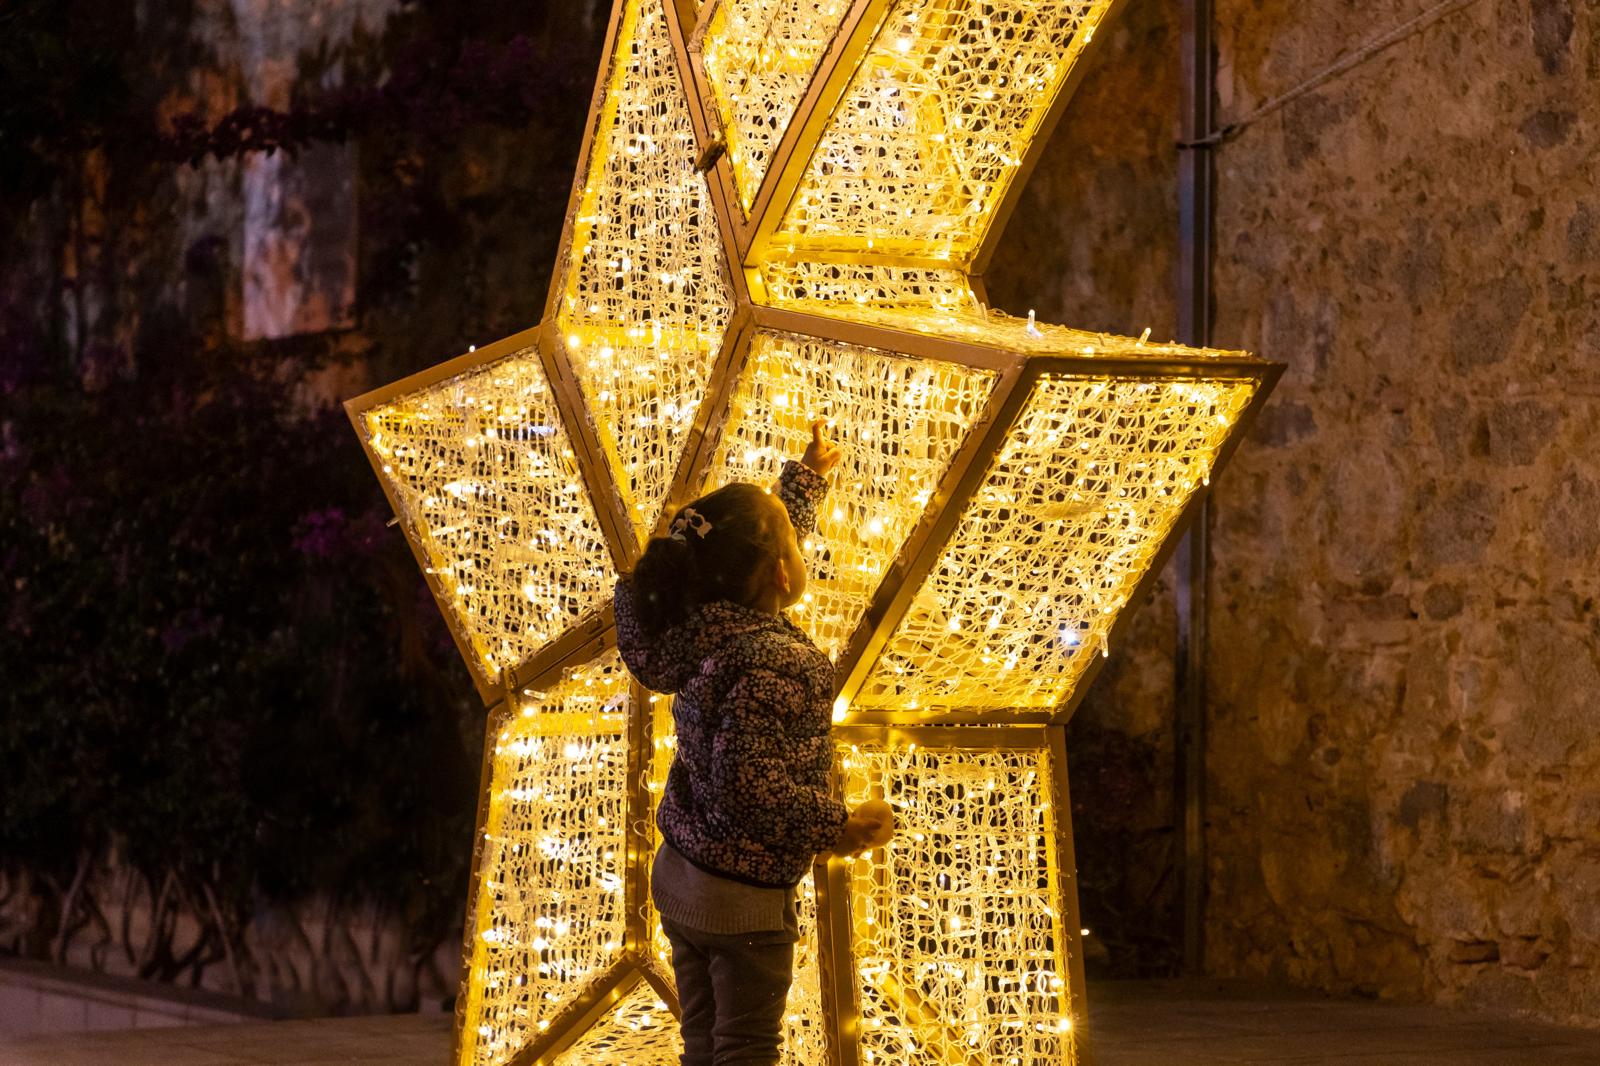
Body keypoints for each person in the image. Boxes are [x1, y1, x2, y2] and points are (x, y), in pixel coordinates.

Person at [614, 420, 889, 1066]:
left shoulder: (701, 626)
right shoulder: (773, 662)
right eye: (793, 541)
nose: (800, 550)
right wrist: (837, 825)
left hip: (682, 880)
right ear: (780, 574)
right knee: (744, 1049)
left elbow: (743, 553)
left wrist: (802, 484)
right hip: (742, 902)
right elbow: (749, 786)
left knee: (703, 1044)